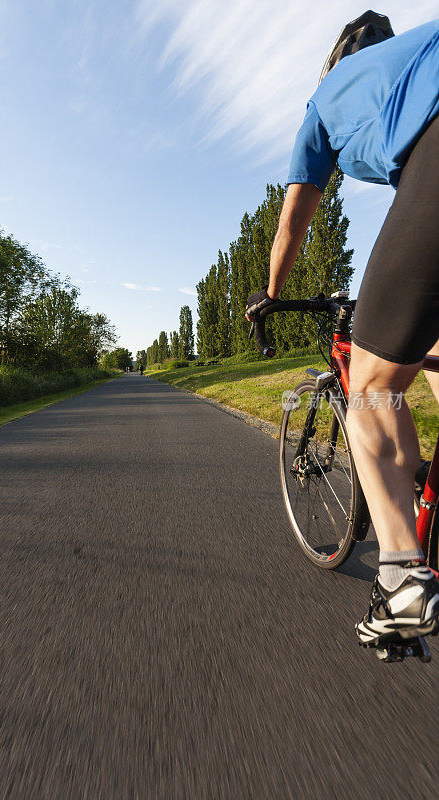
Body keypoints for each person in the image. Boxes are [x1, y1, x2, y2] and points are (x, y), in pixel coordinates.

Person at [246, 13, 439, 647]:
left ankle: (401, 581)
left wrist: (269, 297)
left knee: (370, 388)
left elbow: (293, 223)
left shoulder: (325, 97)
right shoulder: (410, 59)